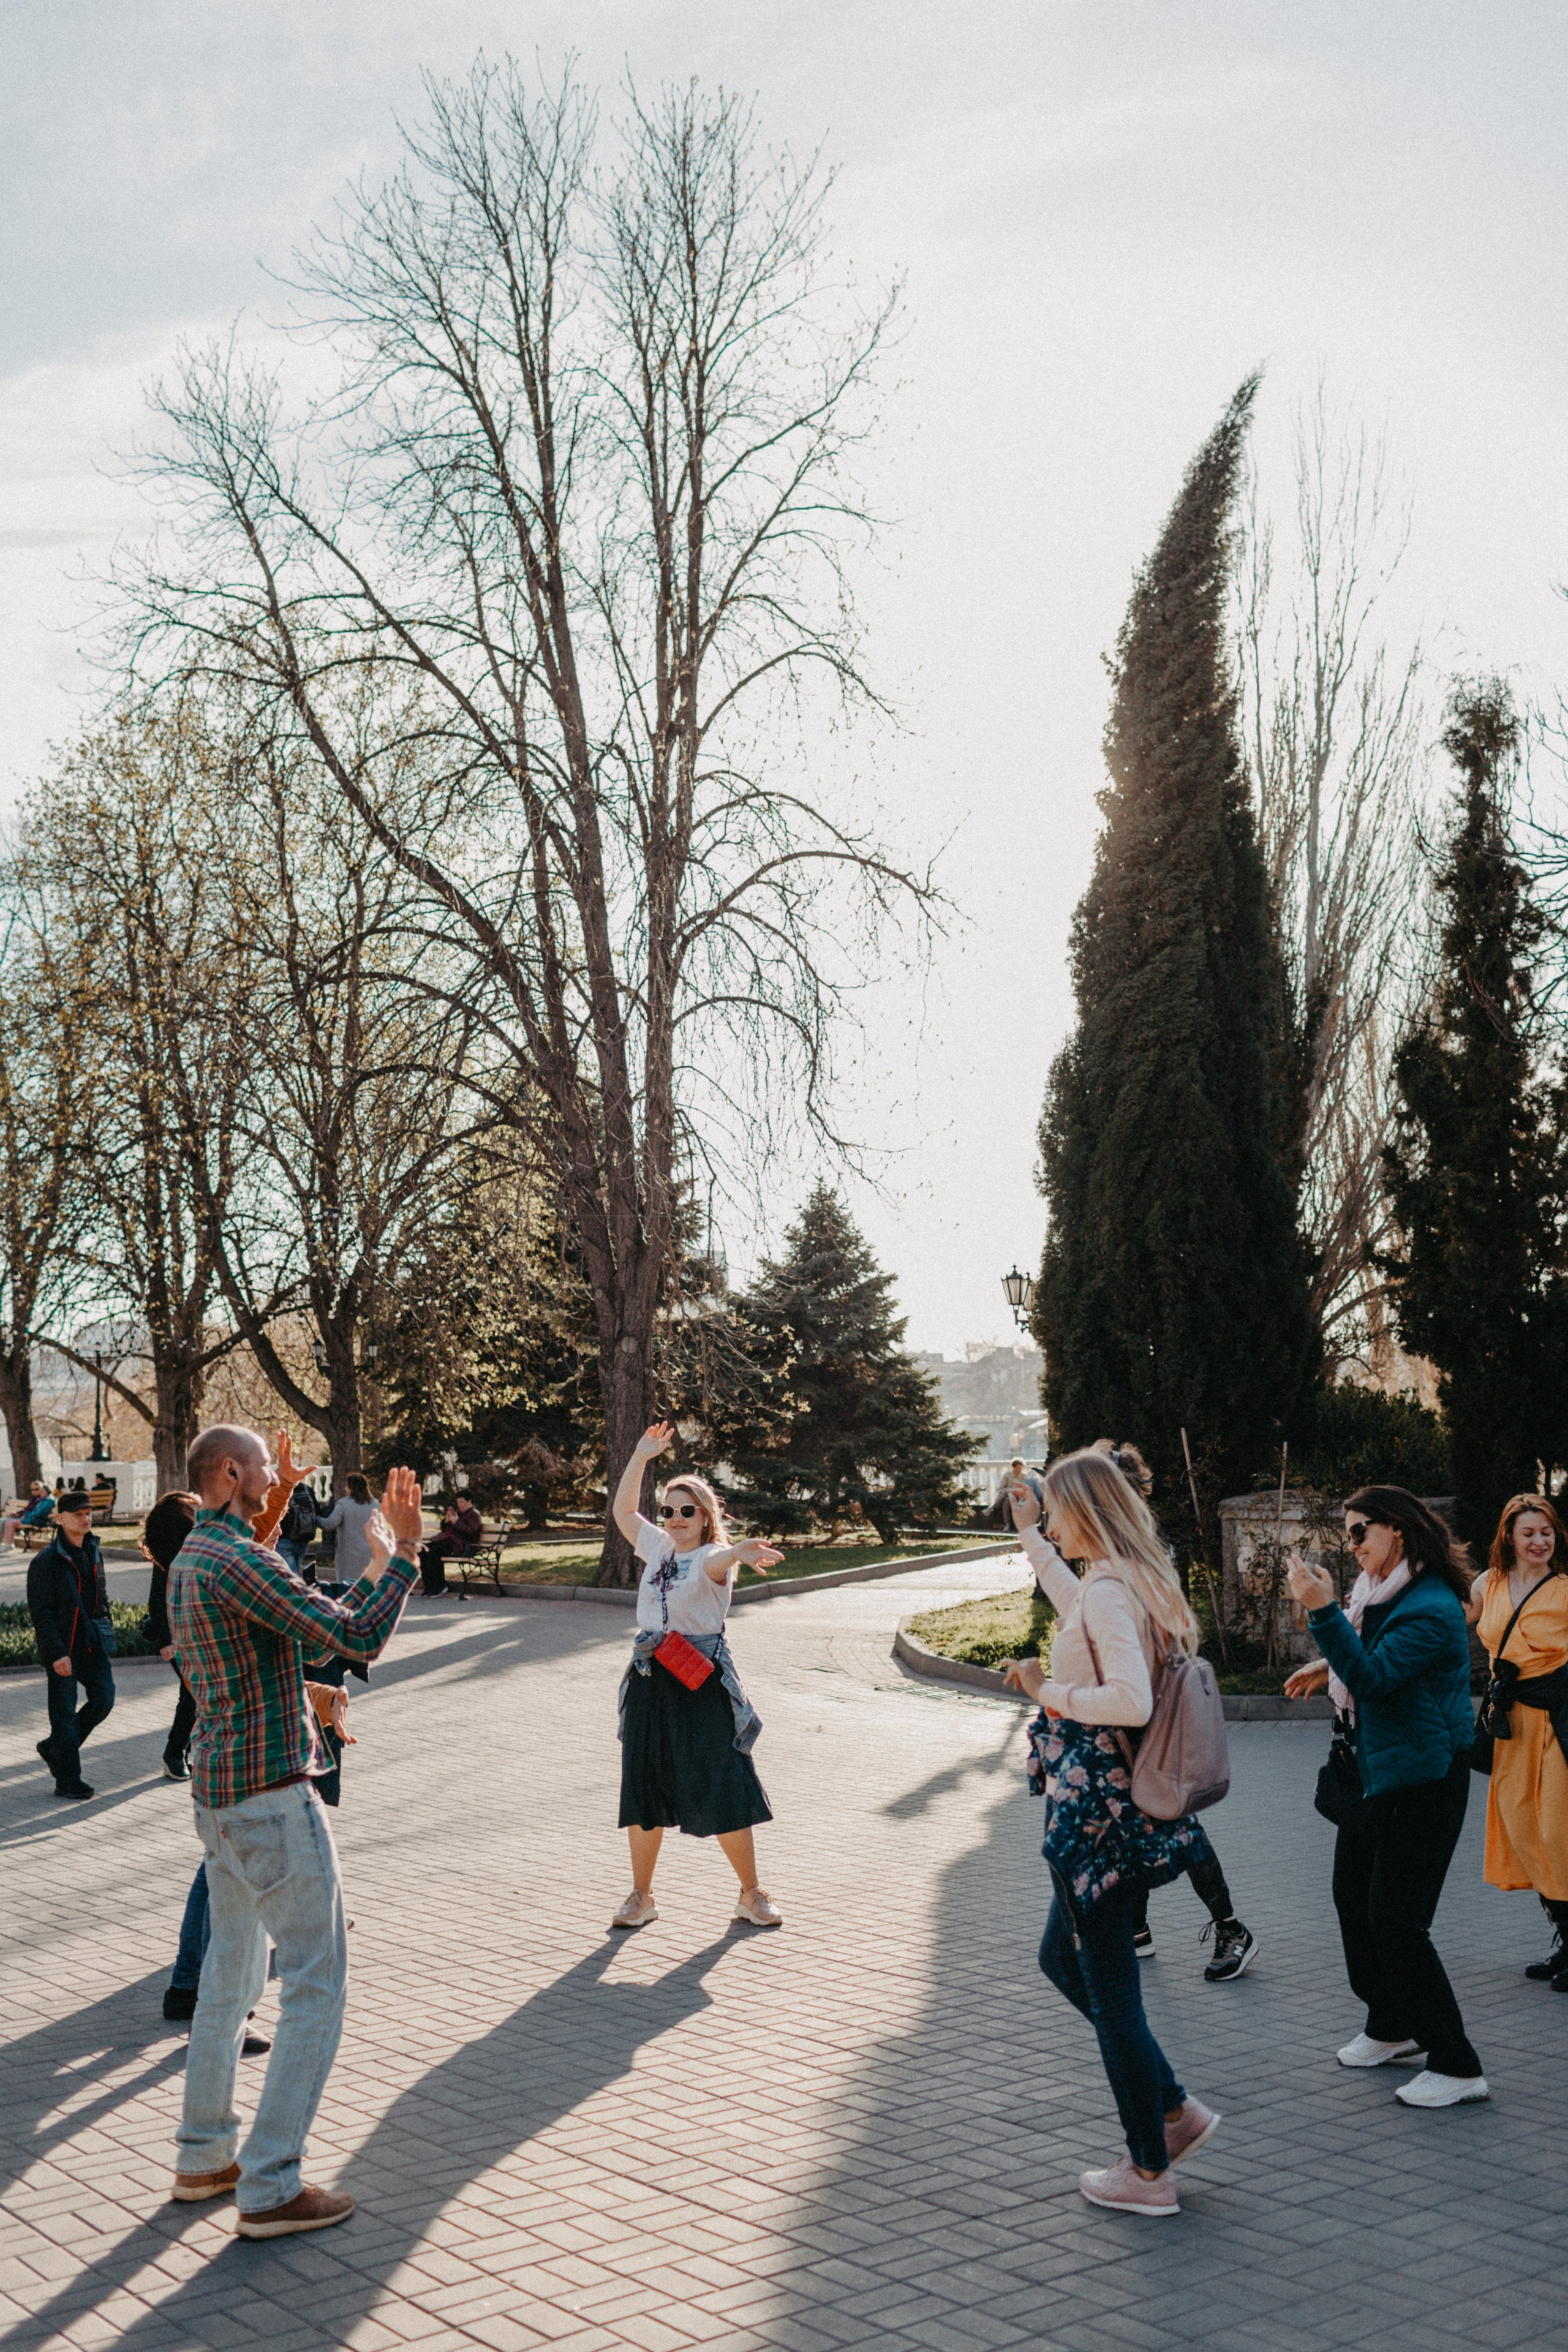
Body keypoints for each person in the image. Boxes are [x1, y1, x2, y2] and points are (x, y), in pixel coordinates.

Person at [167, 1423, 424, 2237]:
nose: (283, 1481)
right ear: (233, 1472)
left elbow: (290, 1600)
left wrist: (276, 1514)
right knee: (317, 1978)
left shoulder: (197, 1556)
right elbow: (354, 1635)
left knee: (229, 1984)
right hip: (273, 1799)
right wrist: (408, 1555)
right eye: (269, 1472)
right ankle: (273, 2182)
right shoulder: (237, 1561)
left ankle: (205, 2155)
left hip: (219, 1795)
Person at [1002, 1451, 1220, 2218]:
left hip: (1096, 1816)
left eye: (1055, 1511)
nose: (1052, 1522)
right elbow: (1081, 1609)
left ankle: (1150, 2171)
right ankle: (1173, 2110)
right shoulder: (1131, 1579)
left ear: (1086, 1511)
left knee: (1110, 1991)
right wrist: (1028, 1535)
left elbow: (1125, 1700)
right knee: (1060, 1957)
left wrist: (1046, 1690)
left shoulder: (1108, 1591)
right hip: (1116, 1810)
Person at [1284, 1485, 1485, 2108]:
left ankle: (1456, 2065)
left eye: (1358, 1532)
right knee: (1352, 1898)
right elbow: (1367, 1655)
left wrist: (1320, 1612)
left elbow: (1374, 1678)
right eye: (1347, 1534)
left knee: (1397, 1922)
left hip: (1424, 1778)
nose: (1351, 1546)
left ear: (1397, 1531)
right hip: (1379, 1772)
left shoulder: (1428, 1605)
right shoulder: (1382, 1593)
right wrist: (1328, 1663)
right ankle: (1391, 2025)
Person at [1080, 1443, 1257, 1983]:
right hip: (1124, 1700)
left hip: (1148, 1701)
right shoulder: (1111, 1544)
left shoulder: (1145, 1547)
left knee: (1172, 1815)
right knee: (1133, 1814)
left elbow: (1163, 1624)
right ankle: (1136, 1930)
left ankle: (1232, 1927)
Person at [609, 1422, 785, 1932]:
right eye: (669, 1510)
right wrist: (641, 1455)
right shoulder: (659, 1547)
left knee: (723, 1781)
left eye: (688, 1511)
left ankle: (751, 1895)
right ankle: (641, 1897)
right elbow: (622, 1512)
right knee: (643, 1785)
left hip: (699, 1682)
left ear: (706, 1517)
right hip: (650, 1678)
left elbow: (720, 1557)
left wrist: (739, 1551)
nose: (677, 1519)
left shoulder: (710, 1557)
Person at [1463, 1494, 1568, 1991]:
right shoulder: (1489, 1583)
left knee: (1557, 1834)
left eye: (1546, 1532)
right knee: (1526, 1835)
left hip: (1559, 1722)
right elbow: (1446, 1622)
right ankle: (1567, 1941)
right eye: (1529, 1533)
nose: (1539, 1541)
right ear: (1509, 1537)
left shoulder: (1566, 1589)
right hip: (1511, 1726)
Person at [26, 1492, 115, 1800]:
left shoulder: (93, 1549)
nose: (85, 1518)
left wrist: (106, 1625)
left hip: (92, 1644)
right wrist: (56, 1653)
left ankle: (55, 1748)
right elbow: (43, 1614)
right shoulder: (46, 1562)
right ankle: (68, 1779)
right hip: (64, 1649)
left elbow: (100, 1598)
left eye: (88, 1512)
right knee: (63, 1714)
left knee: (104, 1699)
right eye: (77, 1513)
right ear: (60, 1518)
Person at [144, 1491, 200, 1781]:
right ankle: (174, 1753)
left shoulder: (200, 1539)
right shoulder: (171, 1548)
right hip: (177, 1635)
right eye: (192, 1507)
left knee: (194, 1694)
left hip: (198, 1631)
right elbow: (156, 1599)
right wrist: (166, 1641)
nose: (198, 1506)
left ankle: (184, 1750)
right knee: (194, 1694)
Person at [318, 1474, 380, 1580]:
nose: (345, 1488)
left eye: (347, 1485)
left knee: (347, 1586)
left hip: (348, 1555)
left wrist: (315, 1518)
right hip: (370, 1552)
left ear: (353, 1488)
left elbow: (330, 1524)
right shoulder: (375, 1504)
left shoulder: (344, 1504)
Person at [418, 1493, 483, 1595]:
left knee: (434, 1553)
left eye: (462, 1502)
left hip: (461, 1546)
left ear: (469, 1501)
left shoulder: (474, 1515)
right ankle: (430, 1586)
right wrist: (447, 1521)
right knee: (423, 1551)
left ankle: (439, 1587)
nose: (460, 1505)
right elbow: (446, 1530)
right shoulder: (459, 1513)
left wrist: (457, 1522)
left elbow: (472, 1533)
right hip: (449, 1542)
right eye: (458, 1503)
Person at [276, 1475, 321, 1578]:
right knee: (295, 1571)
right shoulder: (307, 1490)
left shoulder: (281, 1490)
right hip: (304, 1537)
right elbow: (318, 1511)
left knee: (292, 1575)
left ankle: (299, 1592)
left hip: (284, 1538)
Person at [2, 1480, 55, 1550]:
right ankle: (8, 1544)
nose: (41, 1493)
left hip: (36, 1521)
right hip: (32, 1519)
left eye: (42, 1491)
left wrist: (27, 1515)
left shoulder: (48, 1501)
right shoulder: (44, 1500)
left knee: (10, 1523)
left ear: (47, 1492)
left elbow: (39, 1513)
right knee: (8, 1522)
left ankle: (8, 1545)